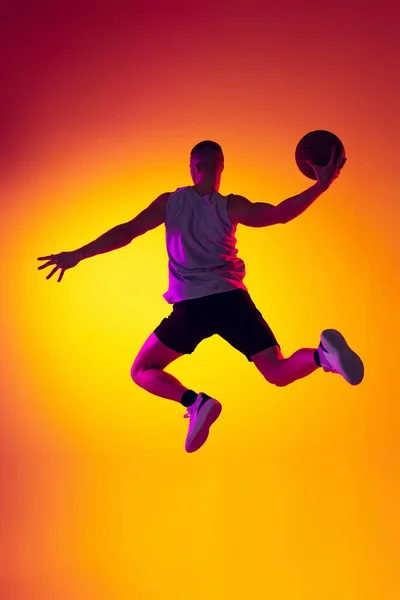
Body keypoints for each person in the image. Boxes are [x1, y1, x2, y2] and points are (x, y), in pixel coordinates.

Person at [37, 140, 364, 453]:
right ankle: (322, 356)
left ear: (194, 167)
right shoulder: (230, 206)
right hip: (233, 301)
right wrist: (320, 186)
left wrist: (77, 254)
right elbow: (279, 213)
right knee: (277, 372)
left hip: (192, 308)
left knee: (142, 370)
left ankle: (195, 402)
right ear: (221, 167)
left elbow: (126, 232)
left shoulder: (171, 202)